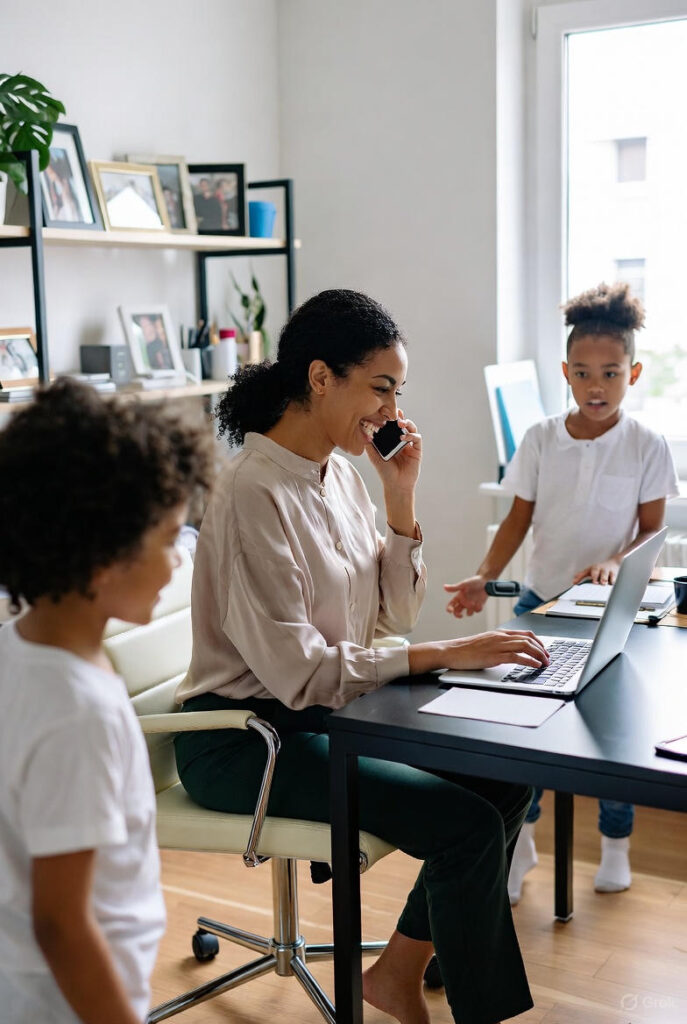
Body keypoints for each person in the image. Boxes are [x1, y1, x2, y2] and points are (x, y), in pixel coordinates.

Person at [175, 289, 550, 1024]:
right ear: (320, 378)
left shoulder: (340, 473)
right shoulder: (252, 494)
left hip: (323, 711)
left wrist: (400, 499)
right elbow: (301, 672)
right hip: (245, 739)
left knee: (504, 782)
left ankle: (393, 975)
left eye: (394, 392)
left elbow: (389, 618)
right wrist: (447, 652)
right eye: (379, 388)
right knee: (465, 825)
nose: (389, 410)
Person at [444, 281, 678, 903]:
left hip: (608, 618)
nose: (596, 386)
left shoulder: (647, 445)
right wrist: (481, 575)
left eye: (609, 373)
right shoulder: (542, 438)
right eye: (582, 373)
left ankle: (616, 844)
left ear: (633, 373)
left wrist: (612, 560)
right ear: (565, 374)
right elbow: (518, 518)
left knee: (612, 739)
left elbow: (652, 531)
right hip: (539, 605)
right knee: (526, 738)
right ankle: (521, 850)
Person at [0, 379, 213, 1024]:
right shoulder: (79, 711)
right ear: (101, 558)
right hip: (70, 1002)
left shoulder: (18, 649)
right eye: (169, 537)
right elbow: (63, 923)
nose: (181, 558)